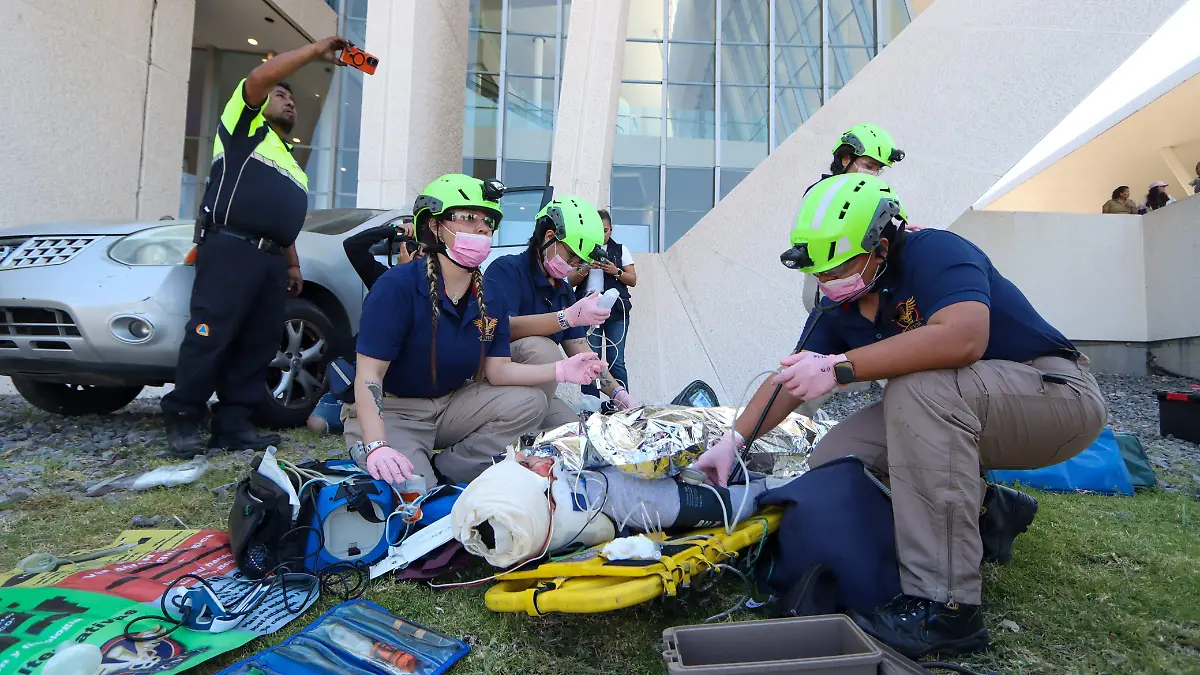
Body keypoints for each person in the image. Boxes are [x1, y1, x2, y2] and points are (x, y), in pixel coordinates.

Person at [691, 174, 1107, 659]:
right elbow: (792, 380)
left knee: (917, 390)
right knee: (837, 456)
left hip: (1056, 395)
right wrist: (733, 441)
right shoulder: (840, 304)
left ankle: (946, 608)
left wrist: (842, 368)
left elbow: (964, 337)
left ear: (882, 244)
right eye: (819, 272)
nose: (827, 280)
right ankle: (988, 511)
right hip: (967, 406)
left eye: (839, 266)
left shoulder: (938, 253)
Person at [347, 174, 609, 490]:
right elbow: (369, 375)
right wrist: (377, 444)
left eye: (487, 221)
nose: (483, 228)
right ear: (434, 226)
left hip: (449, 404)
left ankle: (448, 470)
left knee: (531, 403)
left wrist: (563, 369)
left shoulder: (491, 296)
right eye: (470, 218)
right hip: (396, 410)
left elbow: (497, 371)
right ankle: (414, 470)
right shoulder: (397, 286)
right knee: (418, 506)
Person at [161, 36, 350, 457]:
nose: (289, 101)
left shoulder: (287, 157)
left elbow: (283, 221)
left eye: (292, 98)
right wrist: (314, 53)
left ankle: (233, 424)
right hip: (231, 247)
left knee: (259, 343)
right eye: (280, 94)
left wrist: (292, 263)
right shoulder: (242, 127)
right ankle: (183, 415)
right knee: (211, 334)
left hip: (269, 259)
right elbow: (260, 76)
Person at [485, 197, 641, 429]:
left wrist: (618, 392)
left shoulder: (564, 291)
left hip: (538, 393)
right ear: (550, 237)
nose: (574, 265)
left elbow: (582, 350)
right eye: (572, 256)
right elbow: (503, 328)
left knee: (573, 435)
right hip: (496, 384)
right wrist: (565, 318)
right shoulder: (506, 270)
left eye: (581, 262)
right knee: (543, 349)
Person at [307, 216, 424, 434]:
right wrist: (391, 230)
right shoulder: (387, 280)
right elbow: (352, 245)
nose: (416, 252)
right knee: (317, 424)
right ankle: (351, 407)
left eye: (421, 246)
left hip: (401, 386)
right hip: (363, 378)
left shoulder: (441, 290)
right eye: (410, 245)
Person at [568, 209, 636, 401]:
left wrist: (616, 271)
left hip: (616, 312)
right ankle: (591, 405)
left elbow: (633, 279)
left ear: (611, 230)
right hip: (588, 311)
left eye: (605, 230)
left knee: (616, 360)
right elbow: (570, 281)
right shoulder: (582, 250)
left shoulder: (620, 250)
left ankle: (622, 405)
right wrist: (587, 266)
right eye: (598, 230)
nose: (602, 235)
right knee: (591, 360)